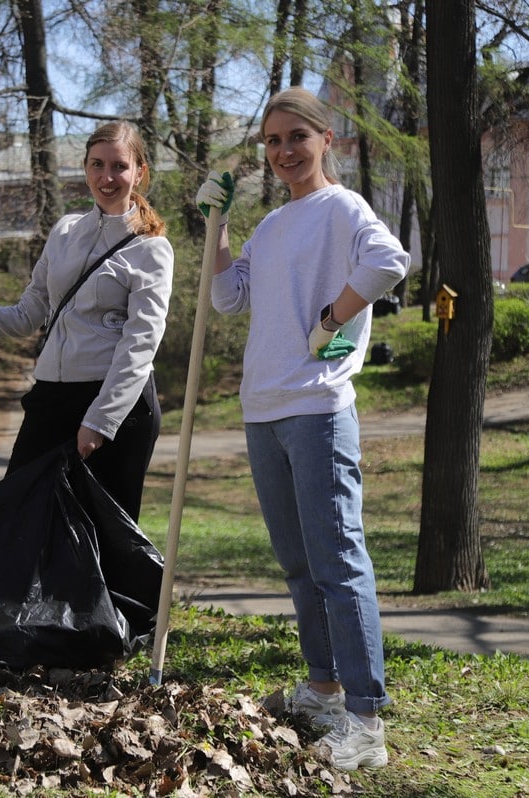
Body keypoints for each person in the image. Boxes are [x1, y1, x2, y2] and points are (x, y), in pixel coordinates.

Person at [194, 86, 409, 771]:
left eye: (297, 138)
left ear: (327, 142)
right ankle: (321, 686)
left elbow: (388, 263)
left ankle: (366, 722)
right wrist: (219, 227)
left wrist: (329, 321)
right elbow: (226, 297)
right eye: (273, 141)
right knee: (297, 565)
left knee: (339, 564)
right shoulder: (272, 226)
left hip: (318, 409)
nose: (285, 151)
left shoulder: (343, 209)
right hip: (262, 409)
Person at [0, 120, 173, 521]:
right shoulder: (65, 231)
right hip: (52, 396)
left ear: (140, 172)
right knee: (18, 519)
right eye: (97, 165)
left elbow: (140, 344)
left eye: (119, 167)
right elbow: (27, 314)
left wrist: (101, 420)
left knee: (104, 540)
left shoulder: (151, 249)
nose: (107, 177)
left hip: (115, 407)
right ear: (86, 168)